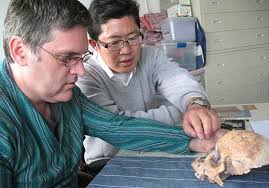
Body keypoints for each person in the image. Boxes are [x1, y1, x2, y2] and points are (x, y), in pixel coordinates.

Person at [0, 0, 224, 187]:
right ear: (20, 51)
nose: (80, 70)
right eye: (67, 58)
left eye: (80, 57)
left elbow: (117, 127)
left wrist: (194, 142)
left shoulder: (66, 97)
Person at [77, 0, 221, 166]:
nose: (126, 50)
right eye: (115, 42)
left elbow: (177, 80)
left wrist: (195, 105)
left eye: (133, 38)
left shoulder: (149, 54)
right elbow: (116, 127)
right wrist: (180, 113)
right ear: (95, 45)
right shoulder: (85, 75)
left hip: (160, 148)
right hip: (109, 159)